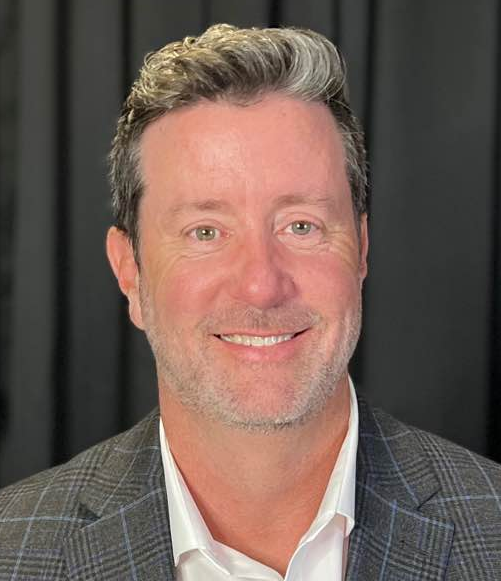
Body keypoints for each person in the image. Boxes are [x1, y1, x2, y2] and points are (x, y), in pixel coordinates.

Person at [0, 23, 500, 581]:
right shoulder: (13, 551)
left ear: (361, 250)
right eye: (205, 232)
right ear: (130, 272)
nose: (262, 285)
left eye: (301, 225)